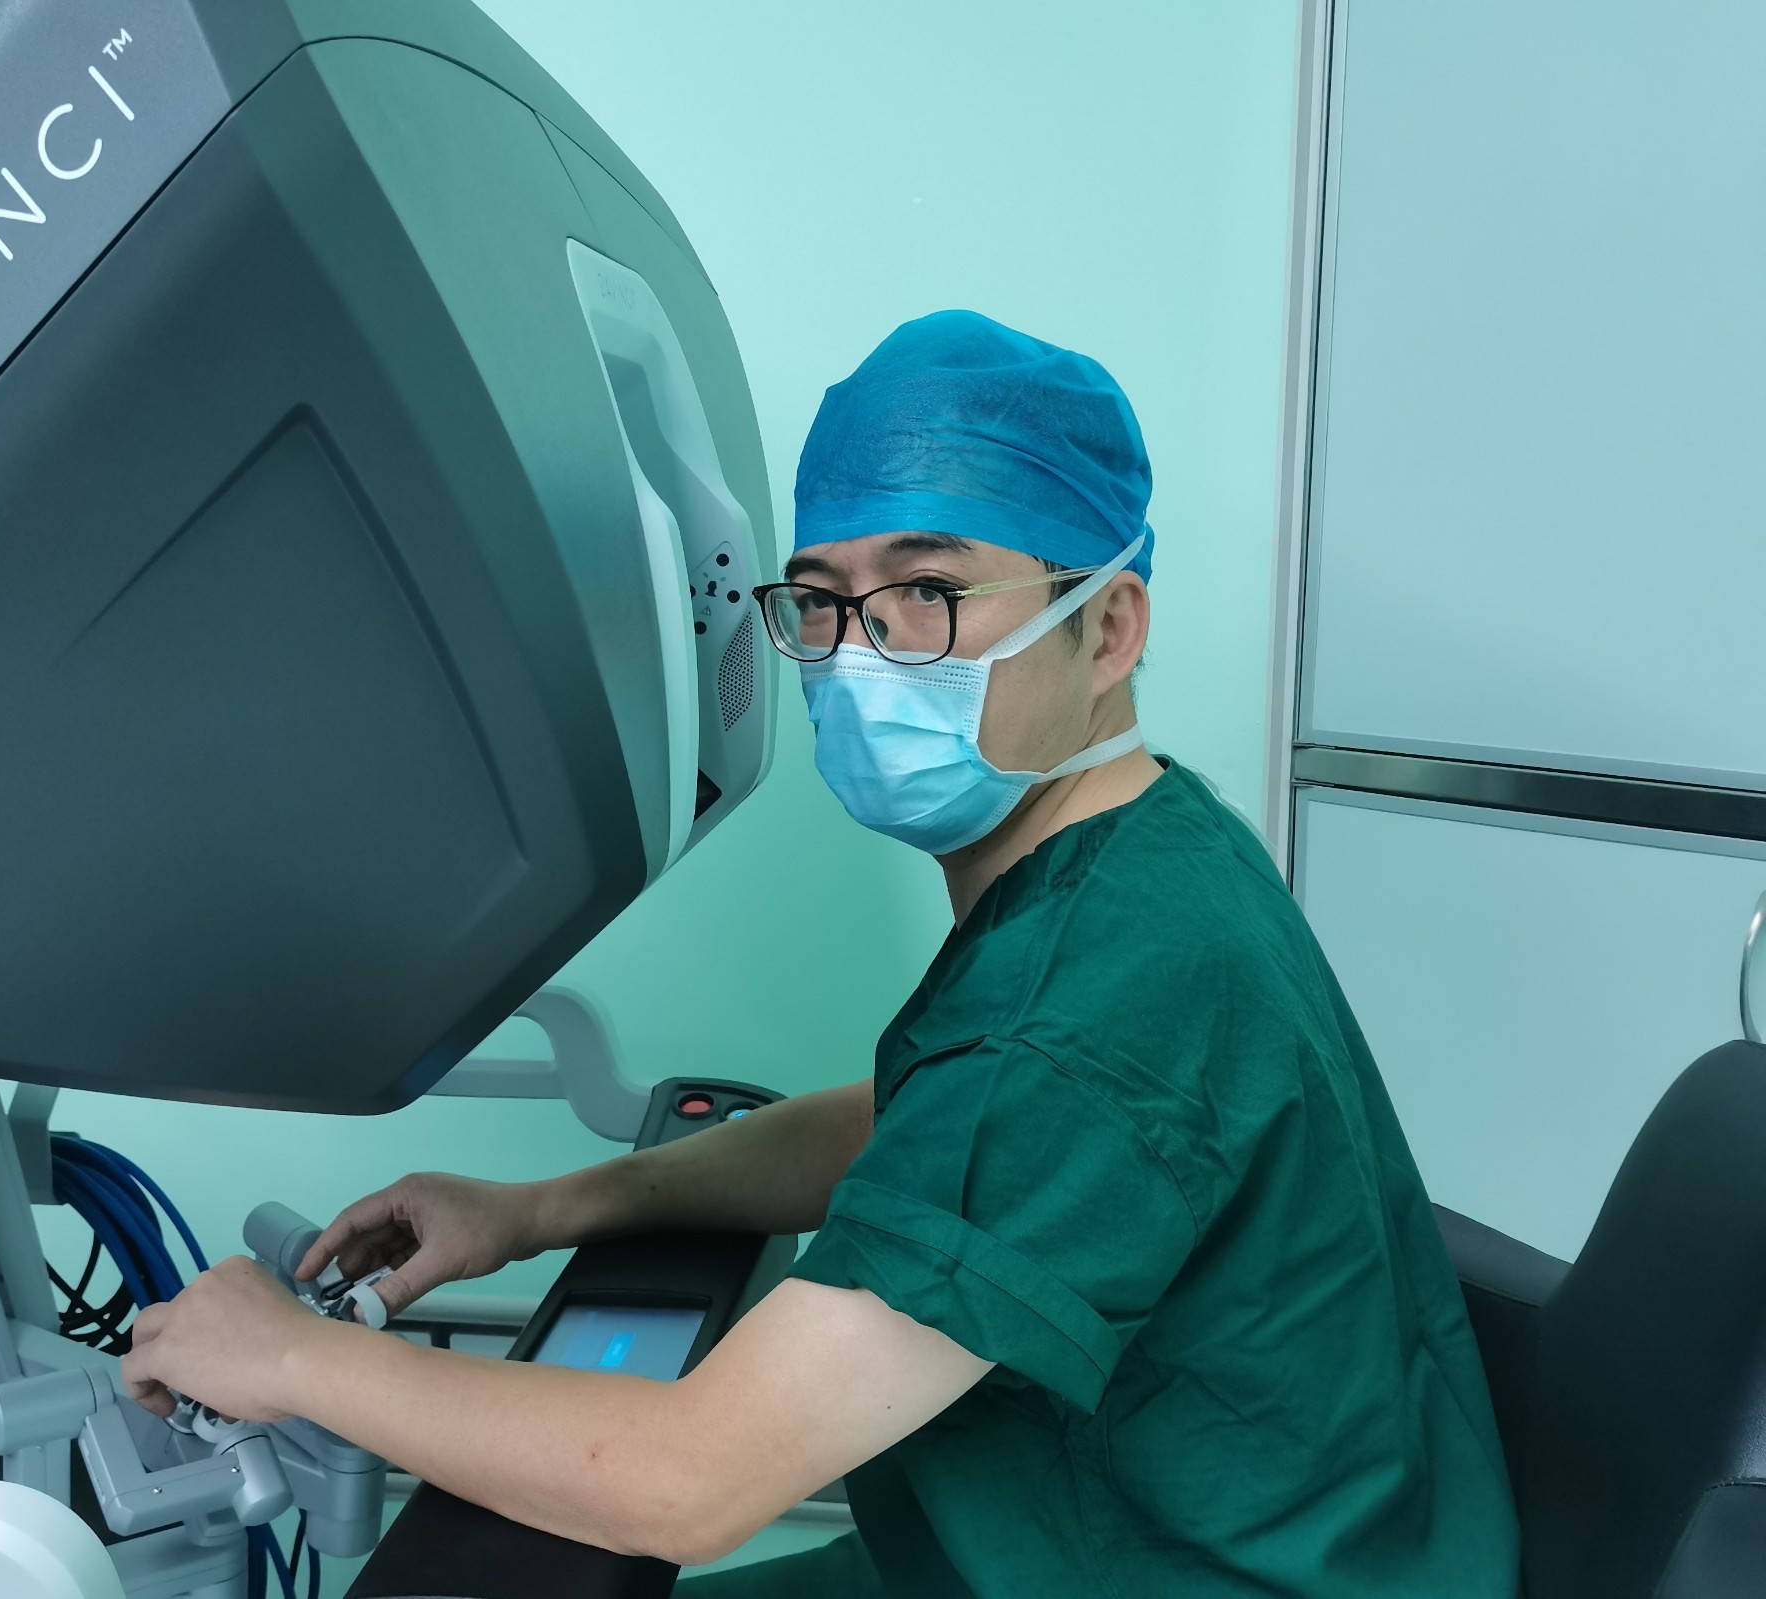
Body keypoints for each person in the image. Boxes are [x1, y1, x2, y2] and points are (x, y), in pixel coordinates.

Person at [123, 311, 1522, 1597]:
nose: (861, 656)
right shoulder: (1149, 852)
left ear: (1107, 627)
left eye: (930, 590)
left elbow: (691, 1482)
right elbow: (932, 1124)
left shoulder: (1087, 1008)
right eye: (821, 599)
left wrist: (292, 1355)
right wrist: (540, 1209)